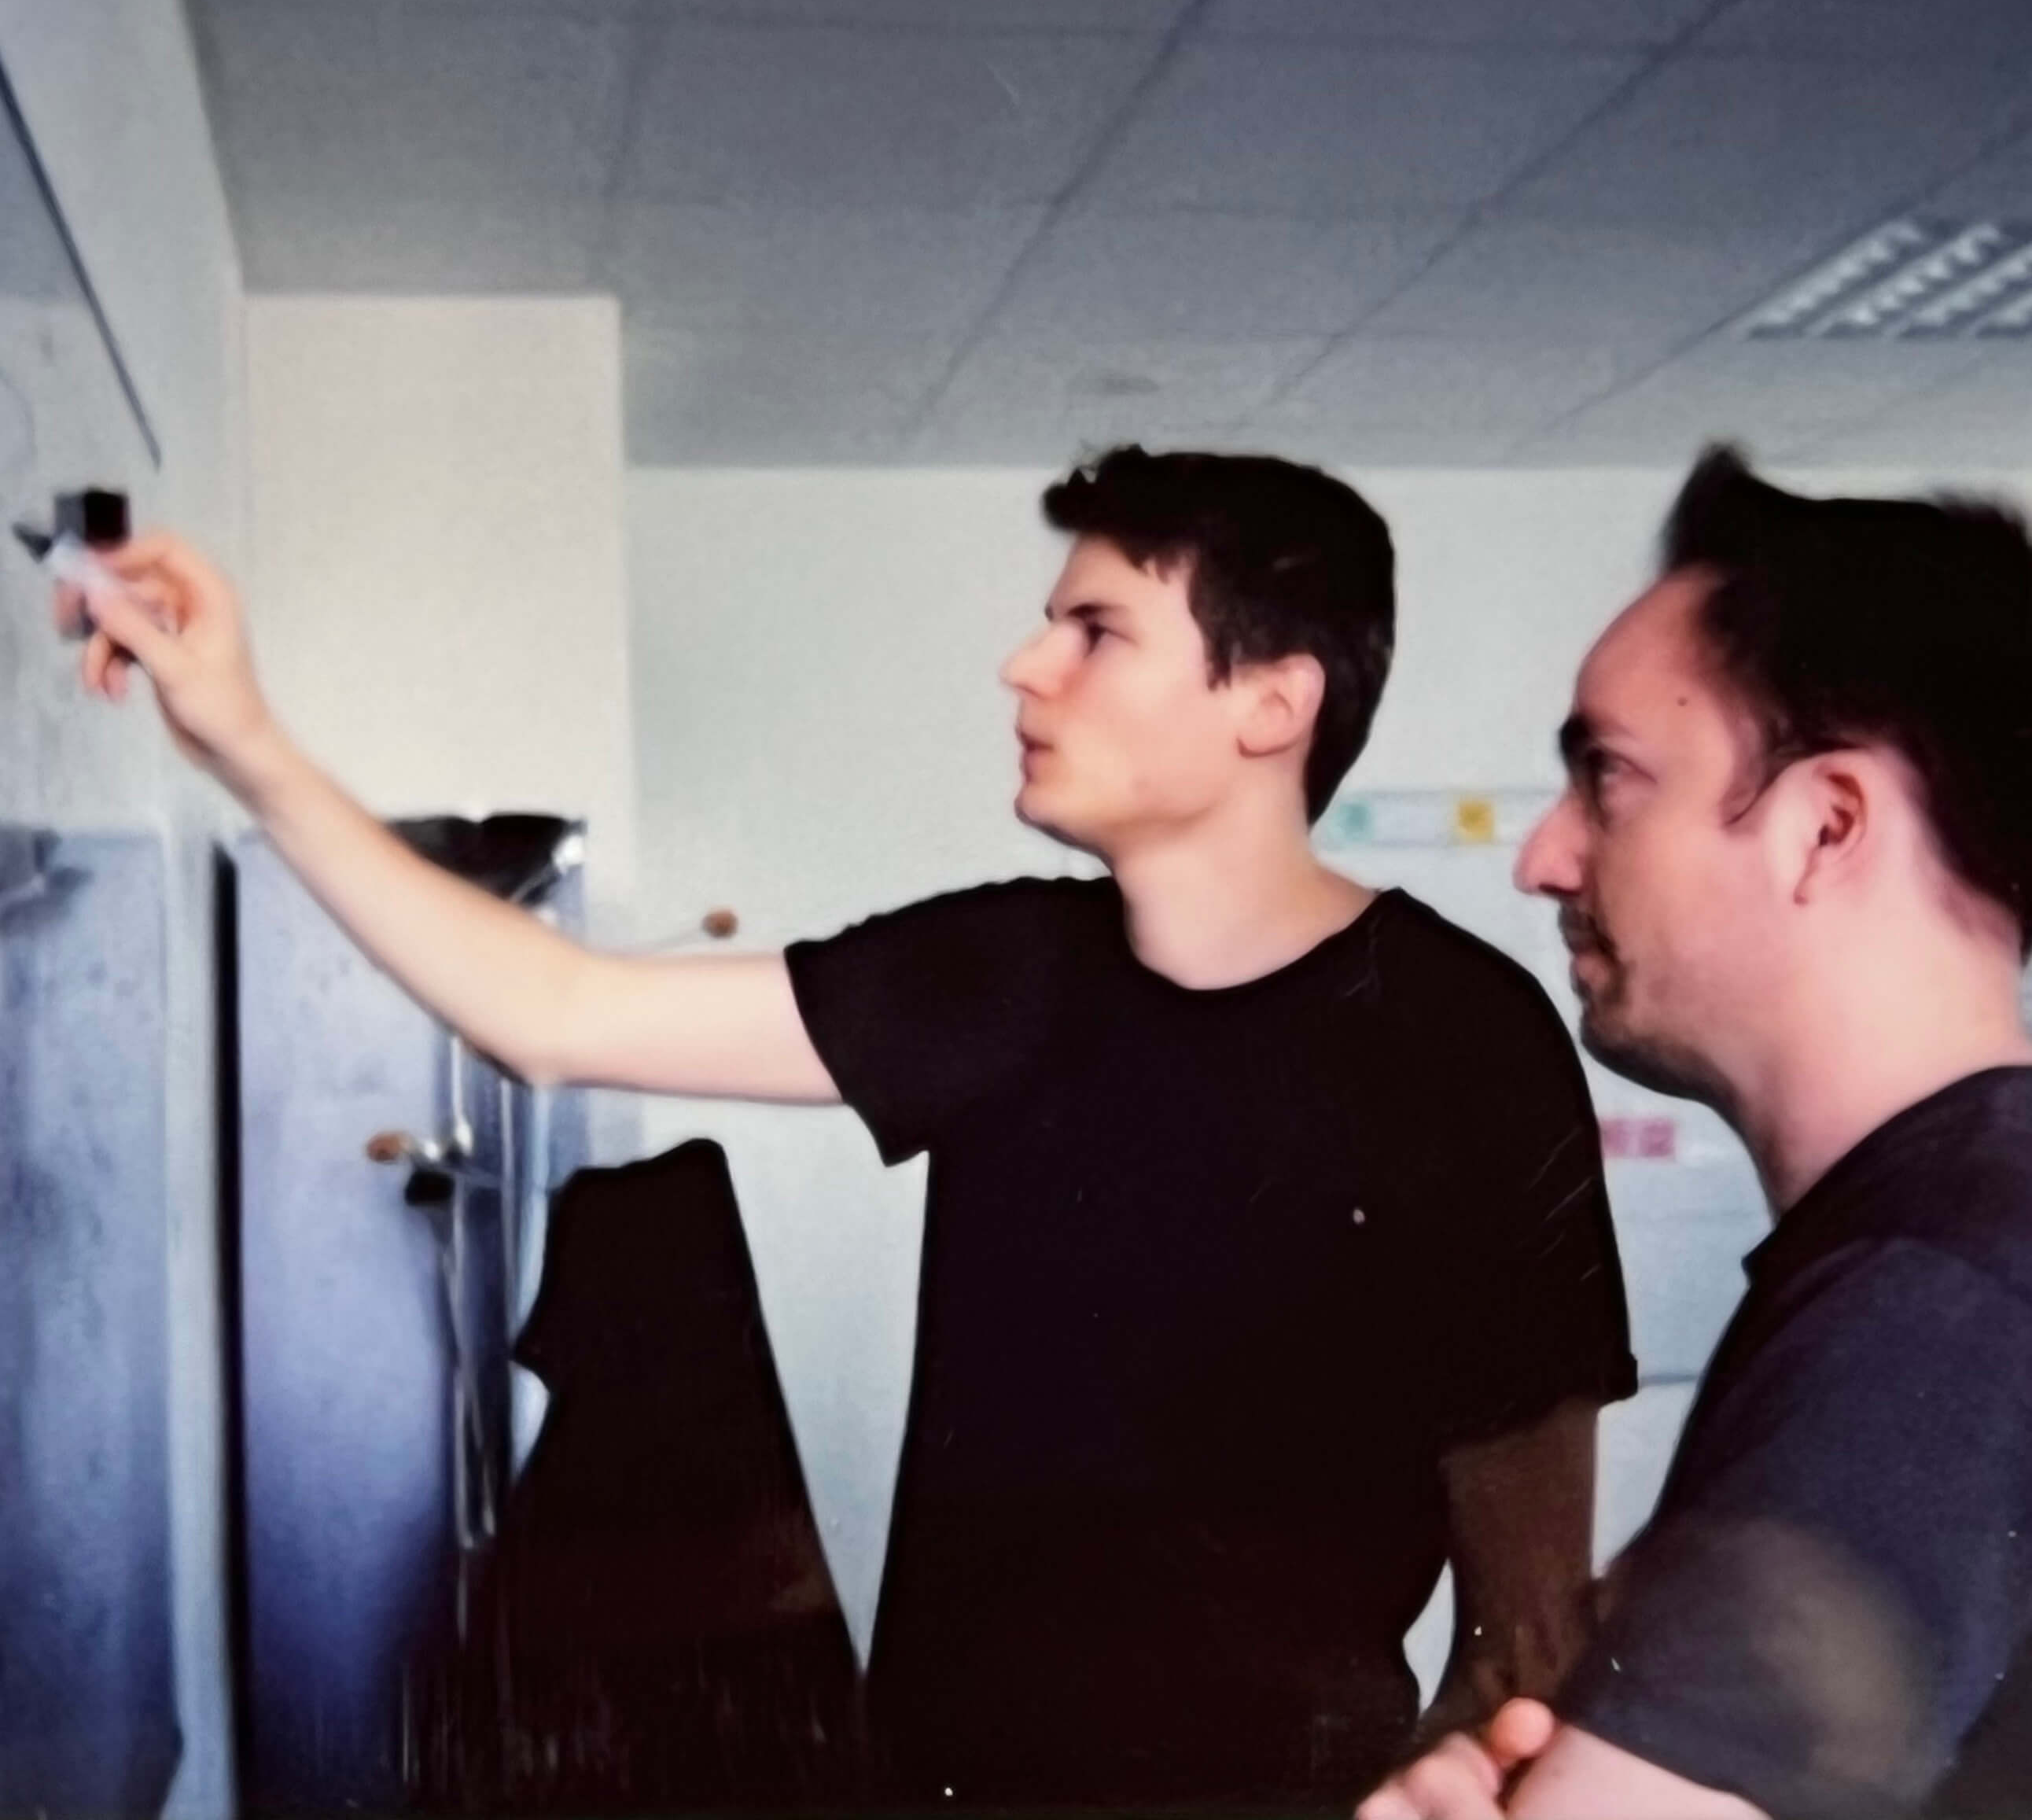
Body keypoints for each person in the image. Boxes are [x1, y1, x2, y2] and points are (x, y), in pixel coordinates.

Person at [75, 447, 1633, 1814]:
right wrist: (242, 738)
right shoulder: (1005, 974)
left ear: (1269, 702)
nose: (1023, 666)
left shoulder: (1459, 1041)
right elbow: (550, 1007)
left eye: (1093, 630)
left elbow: (1525, 1628)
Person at [1360, 447, 2032, 1820]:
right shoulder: (1957, 1247)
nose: (1544, 857)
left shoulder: (1927, 1303)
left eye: (1607, 778)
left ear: (1825, 828)